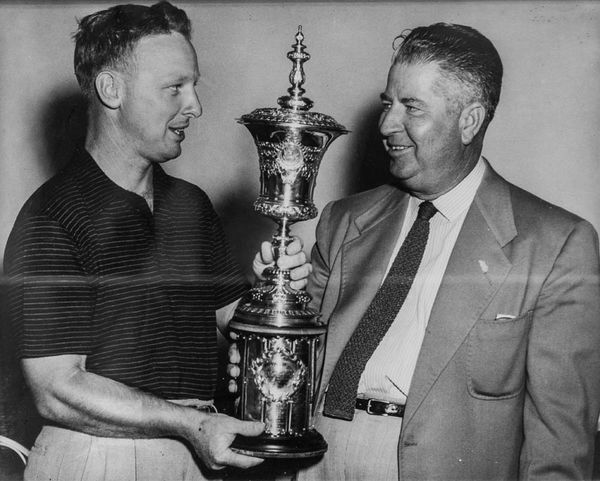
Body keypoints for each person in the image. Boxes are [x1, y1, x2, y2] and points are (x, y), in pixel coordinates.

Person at [3, 2, 310, 480]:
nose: (196, 106)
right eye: (174, 88)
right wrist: (190, 423)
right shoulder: (51, 214)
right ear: (111, 89)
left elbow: (236, 325)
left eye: (194, 86)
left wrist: (274, 291)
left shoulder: (190, 204)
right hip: (100, 457)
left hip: (197, 450)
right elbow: (57, 388)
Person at [295, 23, 600, 480]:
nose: (386, 125)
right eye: (387, 104)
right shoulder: (344, 218)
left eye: (411, 108)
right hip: (318, 456)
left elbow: (560, 440)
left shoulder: (556, 243)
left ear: (469, 120)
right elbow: (295, 354)